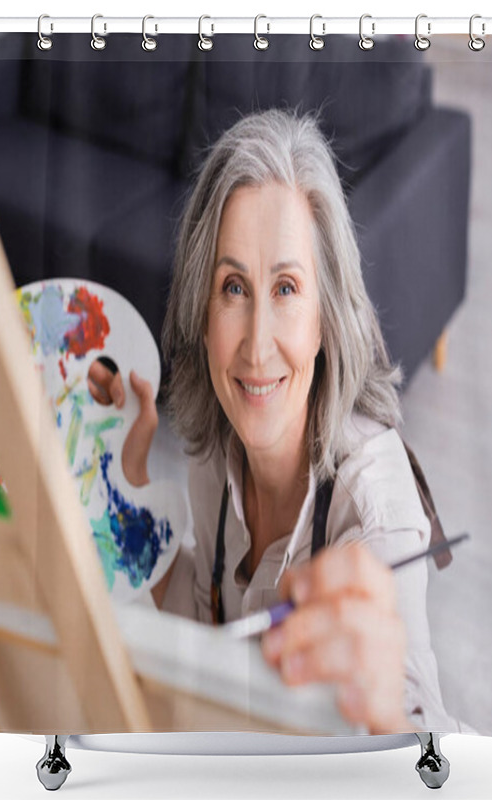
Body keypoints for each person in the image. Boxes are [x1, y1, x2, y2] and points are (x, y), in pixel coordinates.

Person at [110, 109, 455, 735]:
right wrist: (129, 480)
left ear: (327, 316)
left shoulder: (377, 514)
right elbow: (206, 613)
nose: (257, 348)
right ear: (203, 308)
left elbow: (428, 737)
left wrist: (385, 716)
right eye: (234, 288)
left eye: (288, 288)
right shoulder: (219, 439)